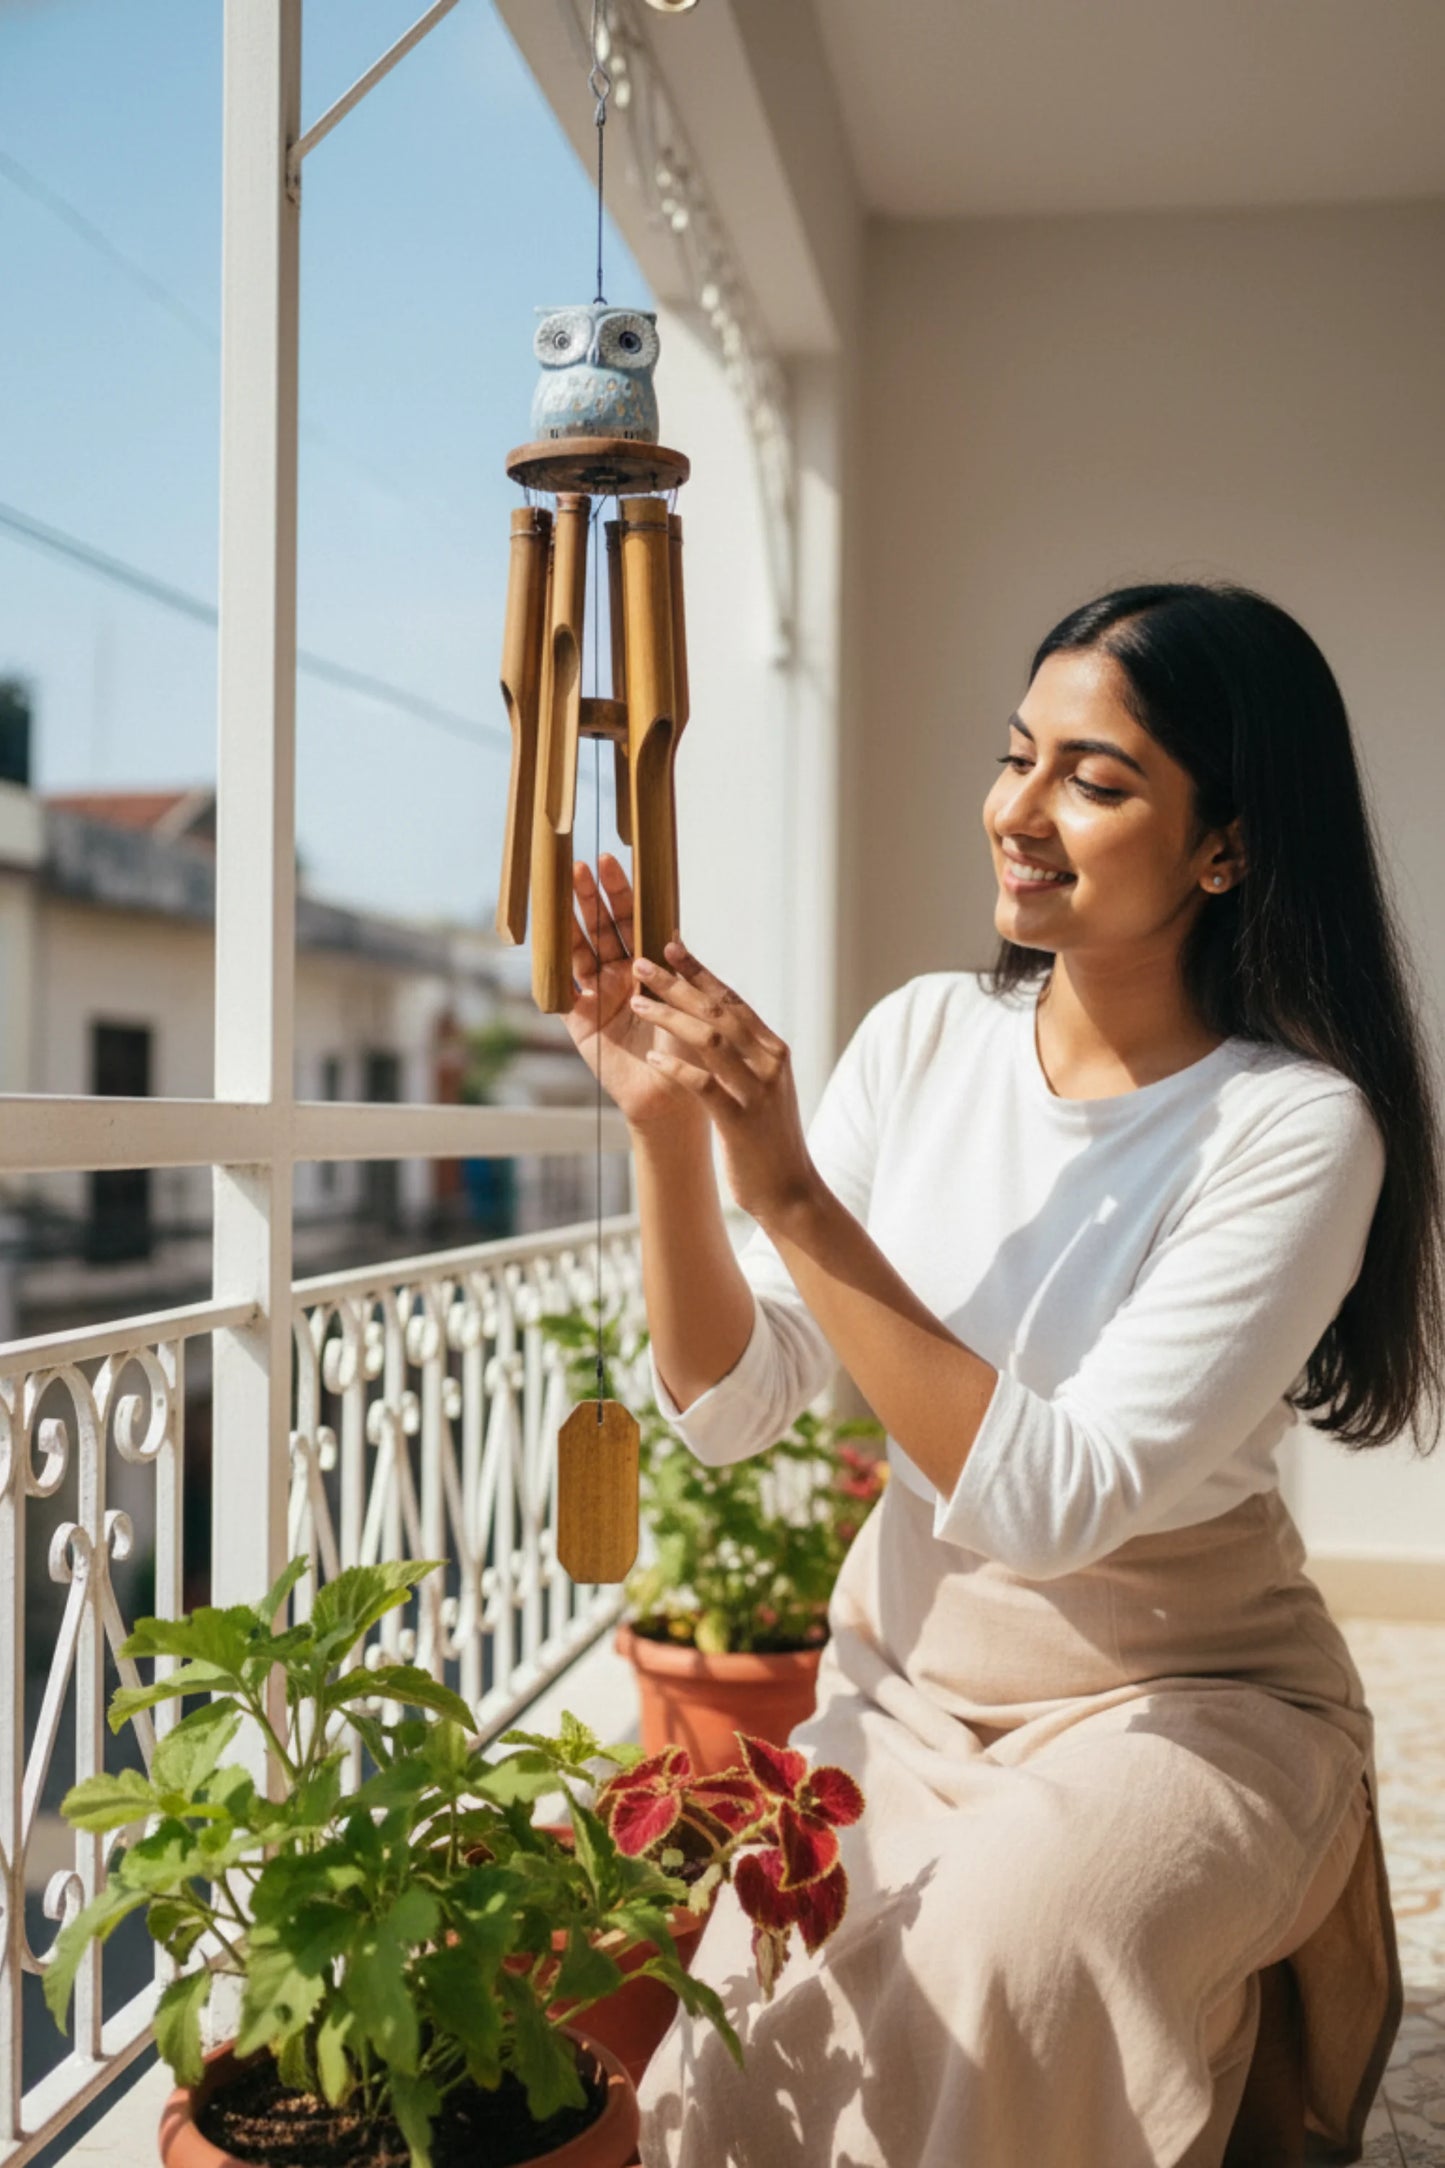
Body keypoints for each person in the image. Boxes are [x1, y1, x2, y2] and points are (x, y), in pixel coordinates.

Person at [563, 582, 1442, 2167]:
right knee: (764, 2040)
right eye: (1013, 755)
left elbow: (1054, 1503)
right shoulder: (922, 1040)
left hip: (1187, 1694)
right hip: (905, 1680)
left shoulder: (1297, 1128)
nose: (1018, 813)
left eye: (1095, 782)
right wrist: (668, 1139)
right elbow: (727, 1406)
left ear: (1224, 847)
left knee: (1010, 1963)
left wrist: (791, 1194)